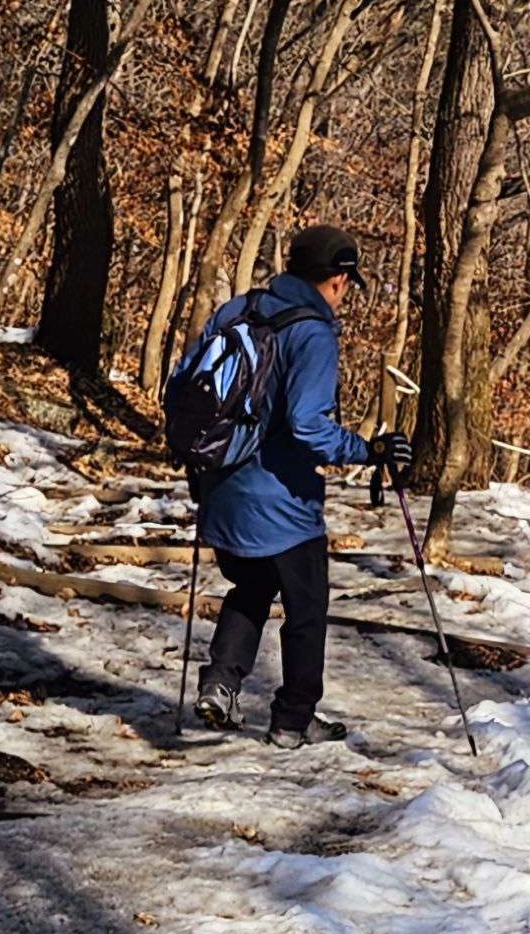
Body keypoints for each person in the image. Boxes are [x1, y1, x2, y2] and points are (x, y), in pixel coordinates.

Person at [174, 223, 412, 749]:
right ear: (338, 279)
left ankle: (220, 682)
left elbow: (183, 381)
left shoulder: (239, 310)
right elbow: (307, 425)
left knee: (251, 586)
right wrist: (367, 450)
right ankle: (293, 720)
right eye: (346, 283)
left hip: (220, 486)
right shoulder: (313, 333)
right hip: (282, 502)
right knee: (306, 609)